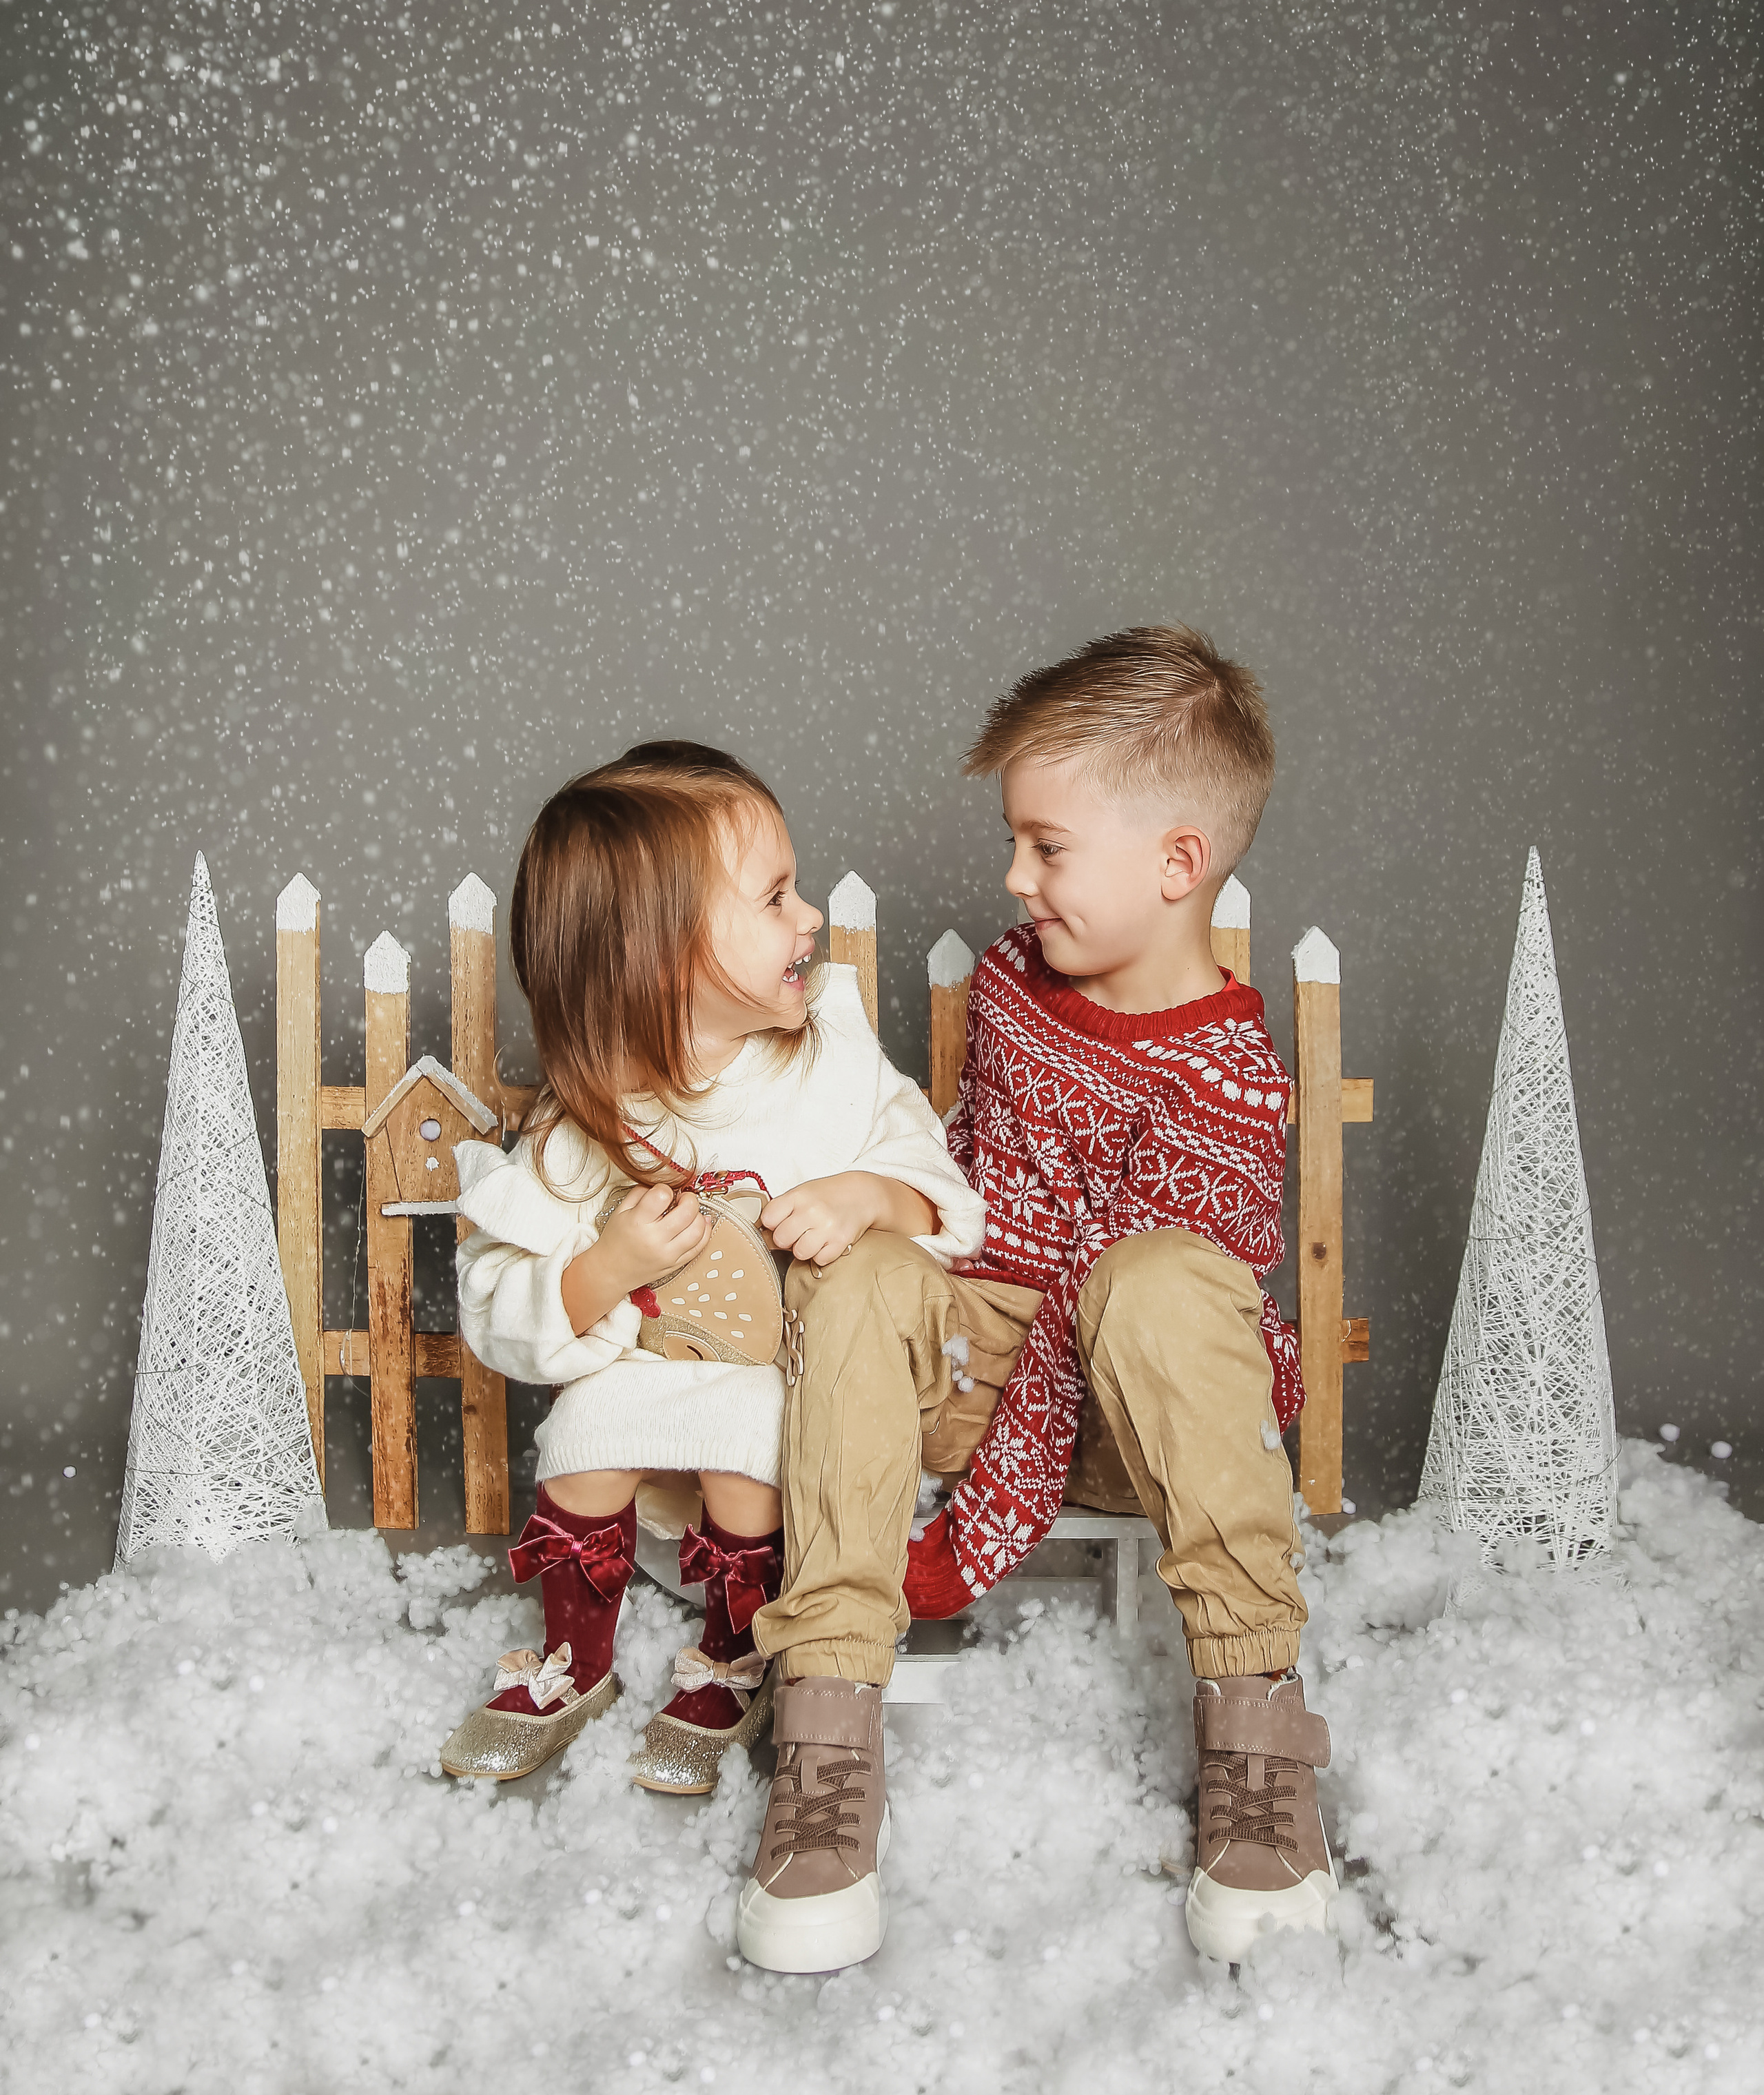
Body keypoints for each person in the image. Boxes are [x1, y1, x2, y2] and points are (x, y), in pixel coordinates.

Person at [741, 627, 1333, 1972]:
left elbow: (1090, 1317)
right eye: (1016, 842)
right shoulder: (1014, 981)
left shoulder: (1229, 1078)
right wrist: (894, 1204)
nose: (1012, 876)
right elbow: (971, 1165)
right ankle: (826, 1721)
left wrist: (972, 1540)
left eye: (1044, 845)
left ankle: (1253, 1722)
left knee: (1162, 1280)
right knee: (855, 1267)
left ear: (1175, 863)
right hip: (980, 1361)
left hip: (1138, 1420)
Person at [438, 742, 984, 1797]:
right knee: (583, 1431)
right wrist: (605, 1267)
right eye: (775, 895)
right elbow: (495, 1304)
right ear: (662, 956)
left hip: (783, 1375)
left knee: (747, 1447)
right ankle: (571, 1663)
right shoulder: (589, 1121)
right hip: (648, 1363)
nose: (810, 914)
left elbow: (945, 1197)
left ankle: (731, 1658)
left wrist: (871, 1198)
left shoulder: (828, 1059)